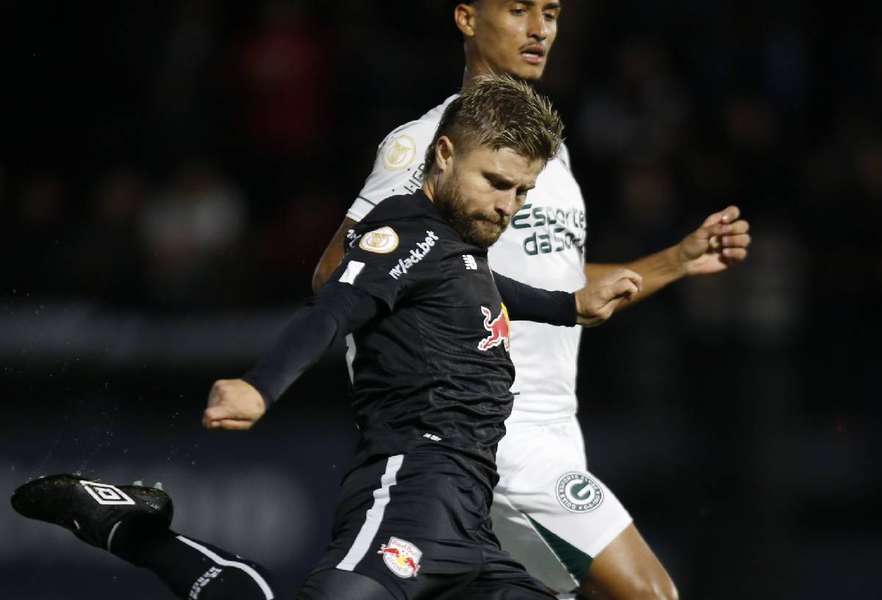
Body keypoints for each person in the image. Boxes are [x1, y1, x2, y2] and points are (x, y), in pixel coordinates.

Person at [13, 75, 644, 600]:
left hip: (472, 523)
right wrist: (260, 389)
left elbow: (482, 286)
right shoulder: (405, 233)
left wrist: (569, 305)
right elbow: (334, 307)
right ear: (445, 154)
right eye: (495, 182)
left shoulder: (457, 249)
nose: (508, 205)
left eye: (522, 191)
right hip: (412, 490)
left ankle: (138, 532)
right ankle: (140, 534)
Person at [310, 2, 752, 599]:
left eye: (551, 12)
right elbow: (340, 270)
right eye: (518, 10)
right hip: (492, 423)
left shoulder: (547, 150)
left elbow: (561, 283)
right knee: (651, 593)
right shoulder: (430, 142)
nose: (539, 29)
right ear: (467, 18)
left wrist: (675, 261)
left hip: (554, 425)